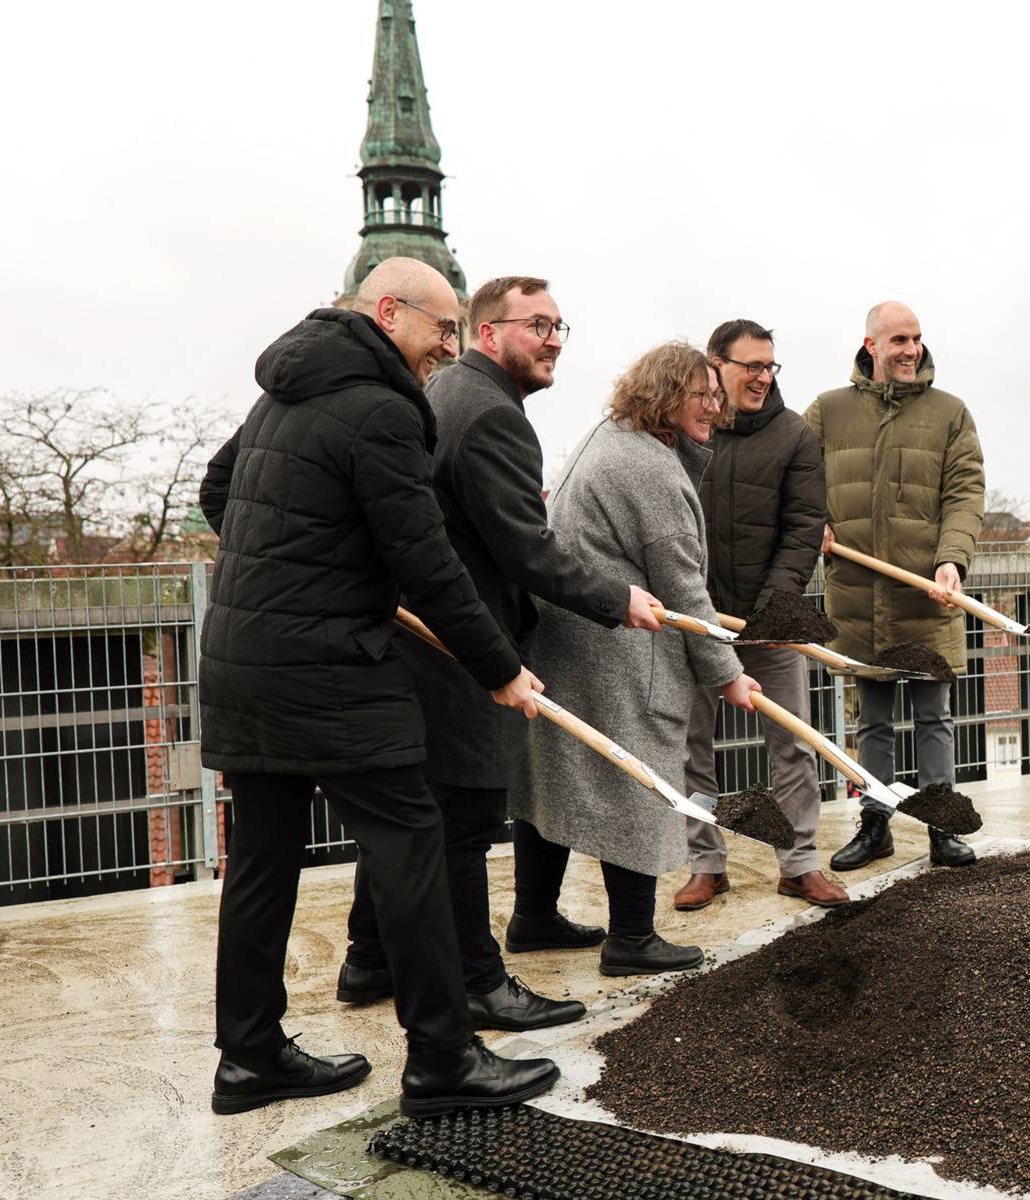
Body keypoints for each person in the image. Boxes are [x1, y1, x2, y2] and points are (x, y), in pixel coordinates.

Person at [198, 257, 558, 1117]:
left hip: (244, 660)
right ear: (389, 313)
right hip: (331, 670)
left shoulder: (280, 392)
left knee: (261, 862)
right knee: (412, 844)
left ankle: (248, 1058)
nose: (450, 347)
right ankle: (443, 1061)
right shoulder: (384, 408)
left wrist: (299, 569)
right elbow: (426, 561)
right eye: (442, 328)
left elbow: (220, 492)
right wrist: (499, 668)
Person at [338, 276, 663, 1033]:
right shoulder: (491, 415)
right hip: (462, 647)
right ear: (488, 333)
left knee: (418, 810)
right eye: (536, 325)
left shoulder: (446, 394)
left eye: (559, 327)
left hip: (422, 638)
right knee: (463, 819)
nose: (553, 341)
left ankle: (369, 957)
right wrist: (615, 596)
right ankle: (478, 982)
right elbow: (527, 548)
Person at [515, 342, 761, 975]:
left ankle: (533, 916)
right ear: (666, 395)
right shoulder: (649, 468)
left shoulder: (612, 434)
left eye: (717, 396)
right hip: (616, 655)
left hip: (567, 642)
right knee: (636, 781)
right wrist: (729, 676)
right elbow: (685, 591)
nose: (716, 408)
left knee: (555, 781)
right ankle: (632, 938)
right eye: (702, 396)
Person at [804, 301, 985, 871]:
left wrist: (952, 560)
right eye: (900, 339)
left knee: (934, 718)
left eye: (917, 338)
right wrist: (814, 521)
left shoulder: (949, 412)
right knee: (873, 721)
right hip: (858, 597)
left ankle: (942, 828)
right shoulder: (828, 411)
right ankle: (875, 825)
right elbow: (798, 479)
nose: (912, 350)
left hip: (926, 596)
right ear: (872, 345)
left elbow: (965, 493)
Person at [674, 320, 848, 911]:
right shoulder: (686, 429)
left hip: (770, 623)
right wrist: (690, 604)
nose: (762, 377)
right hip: (696, 619)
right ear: (716, 365)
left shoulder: (795, 435)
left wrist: (773, 609)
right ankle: (705, 864)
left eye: (769, 366)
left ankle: (800, 865)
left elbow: (803, 529)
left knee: (792, 741)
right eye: (751, 365)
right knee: (691, 746)